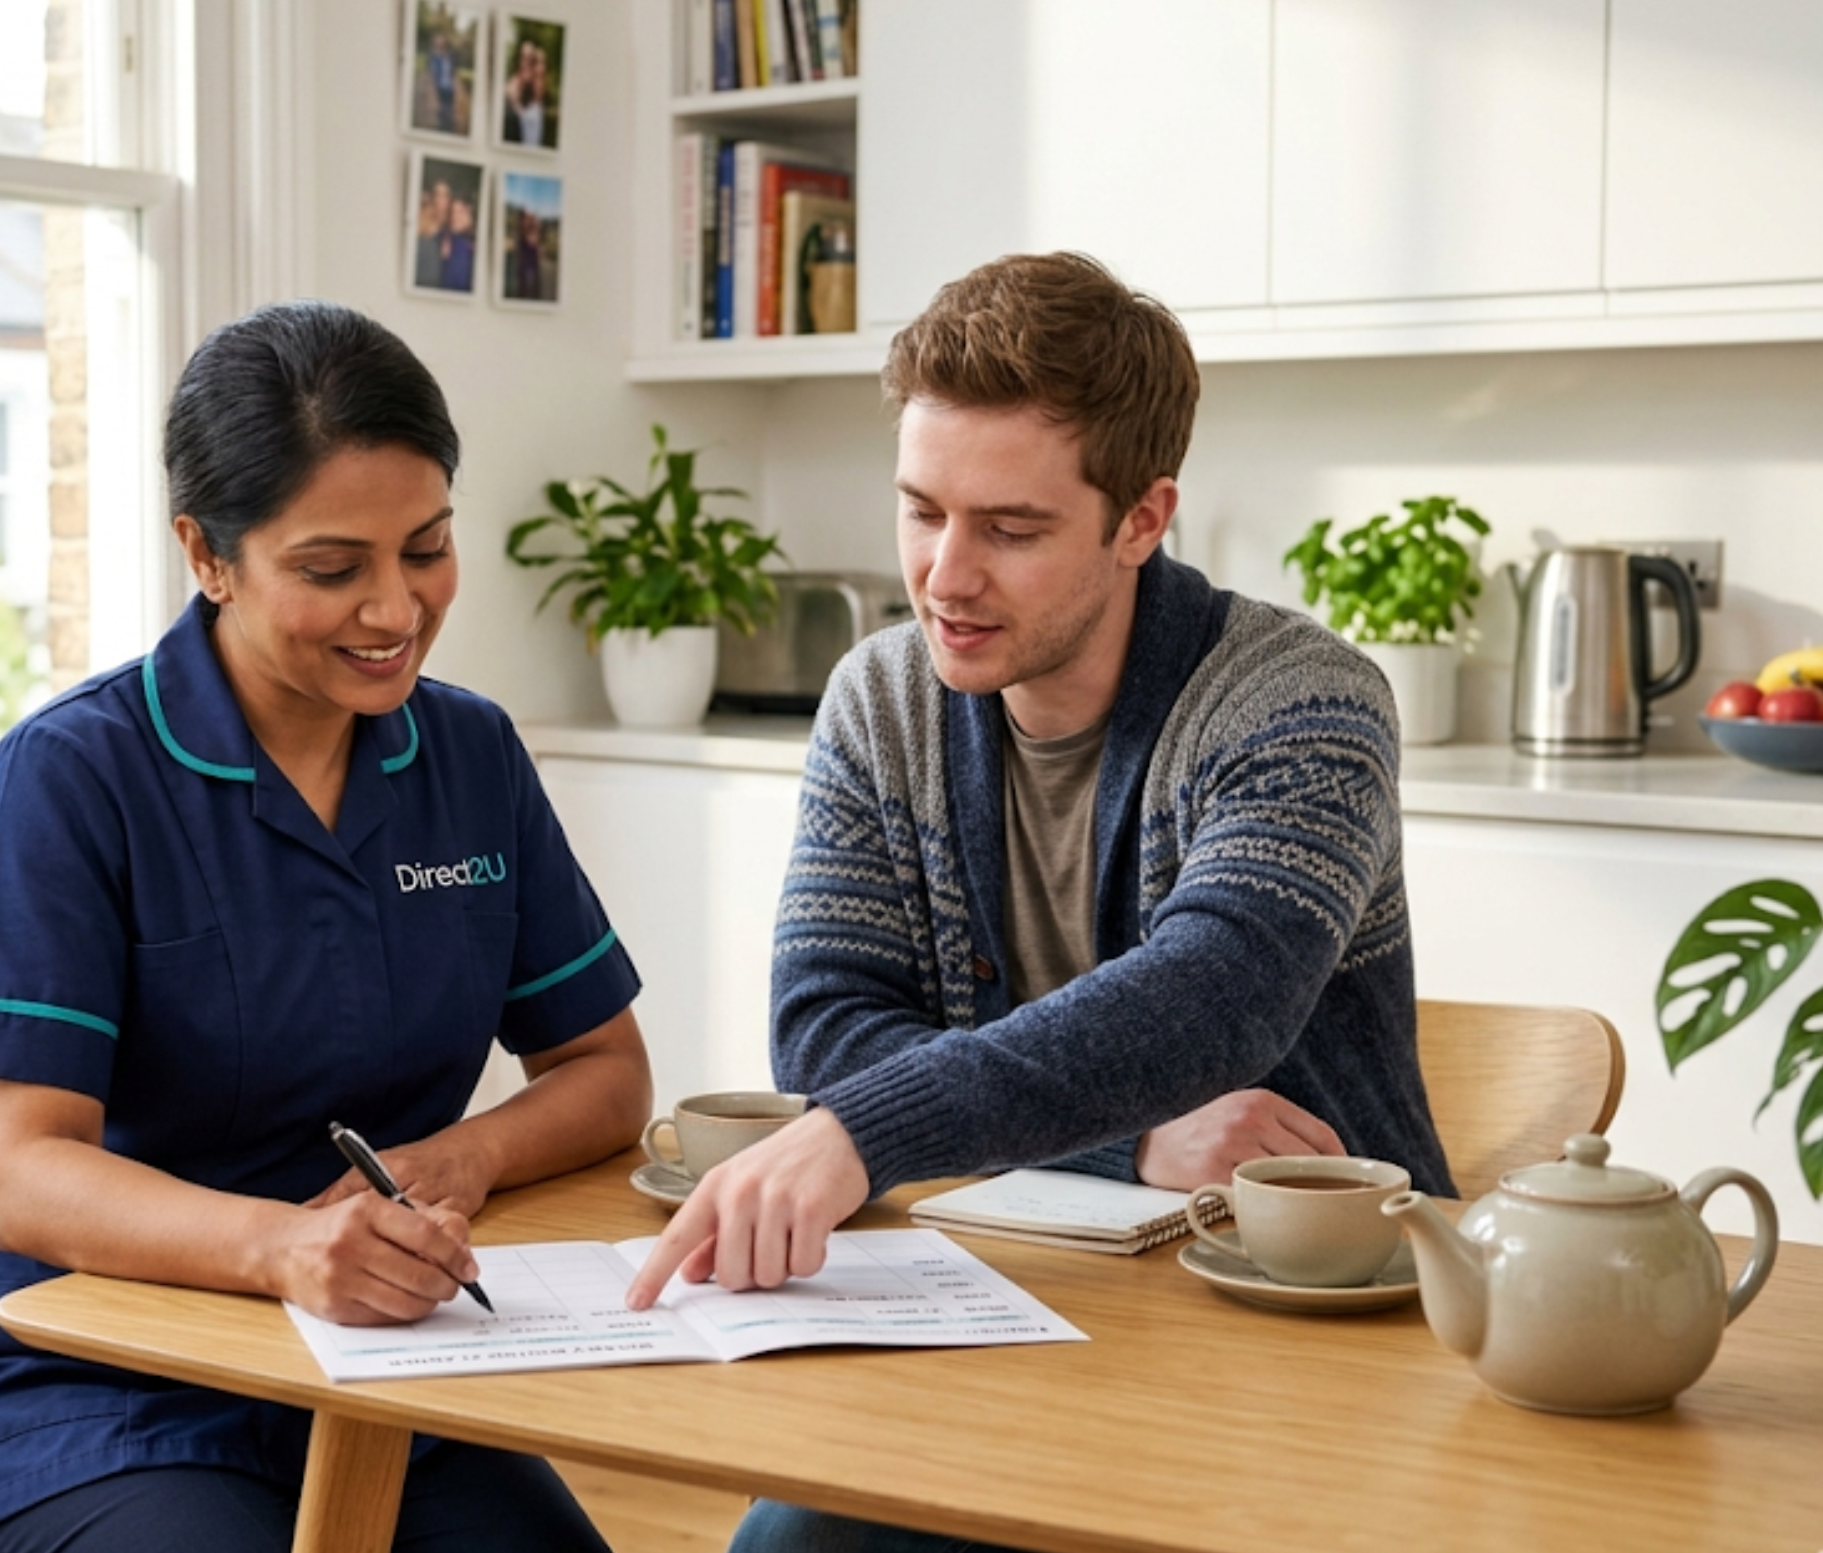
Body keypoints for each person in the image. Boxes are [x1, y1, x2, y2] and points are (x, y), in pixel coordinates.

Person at [622, 252, 1452, 1553]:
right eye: (921, 512)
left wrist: (870, 1135)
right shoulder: (882, 702)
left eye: (1009, 530)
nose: (945, 576)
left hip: (1305, 1317)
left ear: (1141, 519)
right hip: (1000, 1289)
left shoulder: (1303, 700)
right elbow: (827, 1035)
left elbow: (1218, 997)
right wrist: (1131, 1142)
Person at [0, 301, 650, 1553]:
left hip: (373, 1363)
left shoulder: (471, 753)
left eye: (427, 548)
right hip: (82, 1381)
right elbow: (24, 1176)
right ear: (208, 553)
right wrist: (285, 1246)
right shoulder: (71, 776)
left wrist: (465, 1157)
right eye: (333, 570)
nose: (394, 609)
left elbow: (606, 1072)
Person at [502, 37, 549, 148]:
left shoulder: (534, 104)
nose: (526, 63)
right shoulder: (508, 90)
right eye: (523, 57)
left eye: (531, 60)